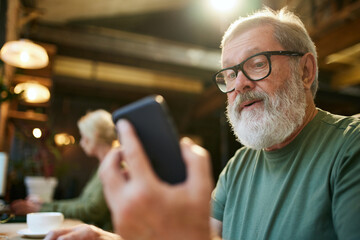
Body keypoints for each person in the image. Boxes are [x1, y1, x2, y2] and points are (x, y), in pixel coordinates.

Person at [43, 7, 360, 240]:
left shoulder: (350, 144)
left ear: (305, 71)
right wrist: (106, 238)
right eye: (230, 74)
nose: (239, 85)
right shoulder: (238, 166)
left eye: (257, 63)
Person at [11, 109, 118, 231]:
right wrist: (44, 205)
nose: (82, 143)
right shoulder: (104, 164)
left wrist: (42, 209)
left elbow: (92, 210)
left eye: (83, 136)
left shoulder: (115, 164)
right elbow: (82, 203)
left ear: (95, 134)